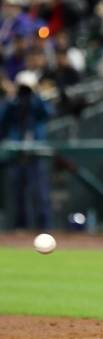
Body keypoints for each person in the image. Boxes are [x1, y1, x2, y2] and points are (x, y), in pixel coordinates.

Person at [0, 71, 53, 229]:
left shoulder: (38, 103)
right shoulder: (13, 104)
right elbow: (2, 119)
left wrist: (36, 94)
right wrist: (12, 98)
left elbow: (48, 113)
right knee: (17, 194)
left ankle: (44, 227)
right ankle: (19, 228)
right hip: (17, 153)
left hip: (36, 152)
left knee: (40, 193)